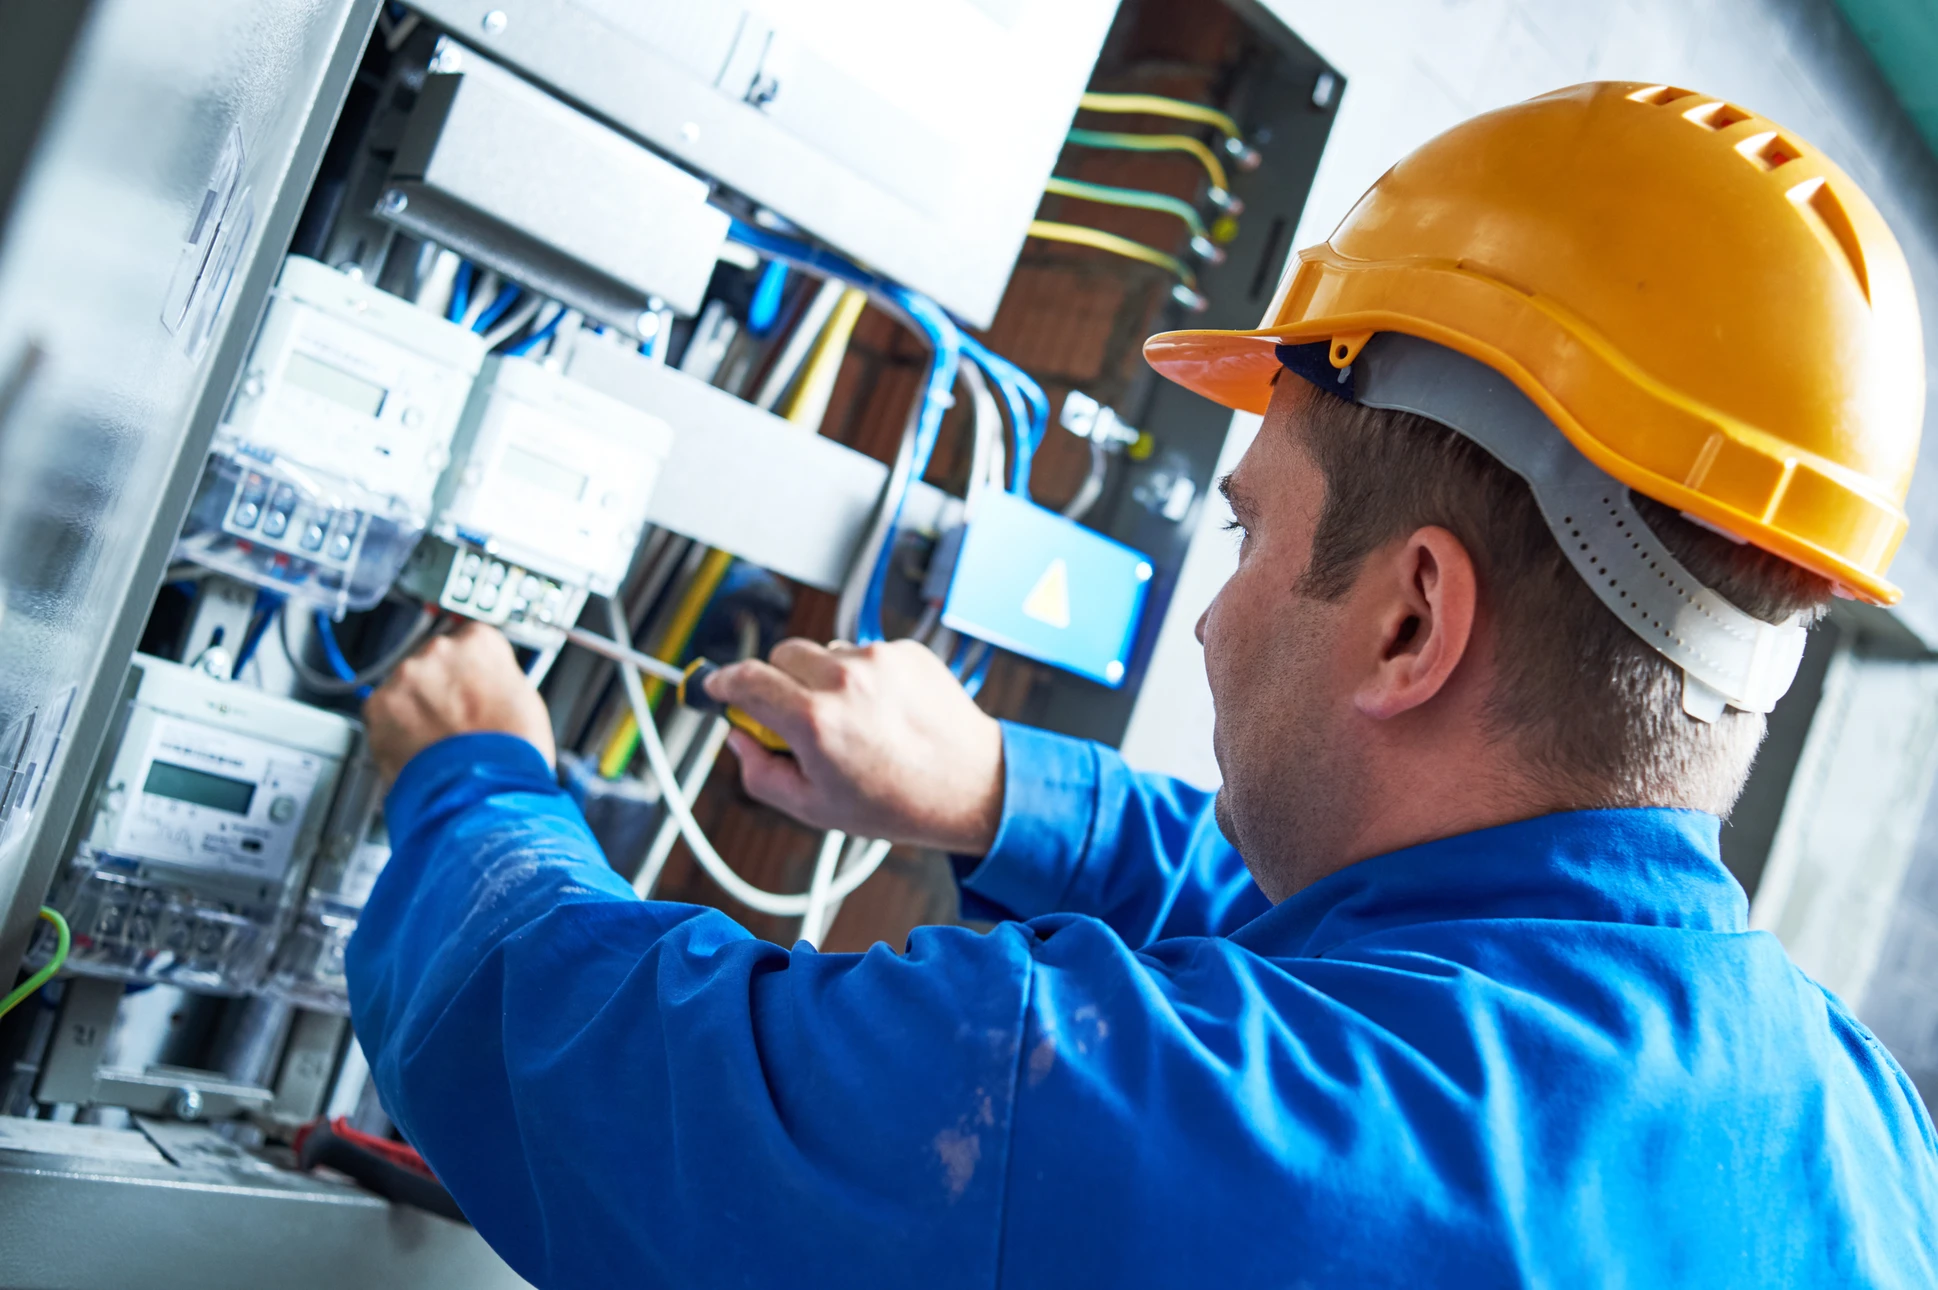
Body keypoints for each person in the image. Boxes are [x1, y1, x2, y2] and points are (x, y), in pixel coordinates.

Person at [347, 83, 1938, 1286]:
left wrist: (474, 776)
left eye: (1246, 531)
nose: (1208, 617)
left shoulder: (1135, 1122)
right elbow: (1398, 961)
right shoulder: (1871, 1146)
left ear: (1409, 622)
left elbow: (600, 1067)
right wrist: (998, 792)